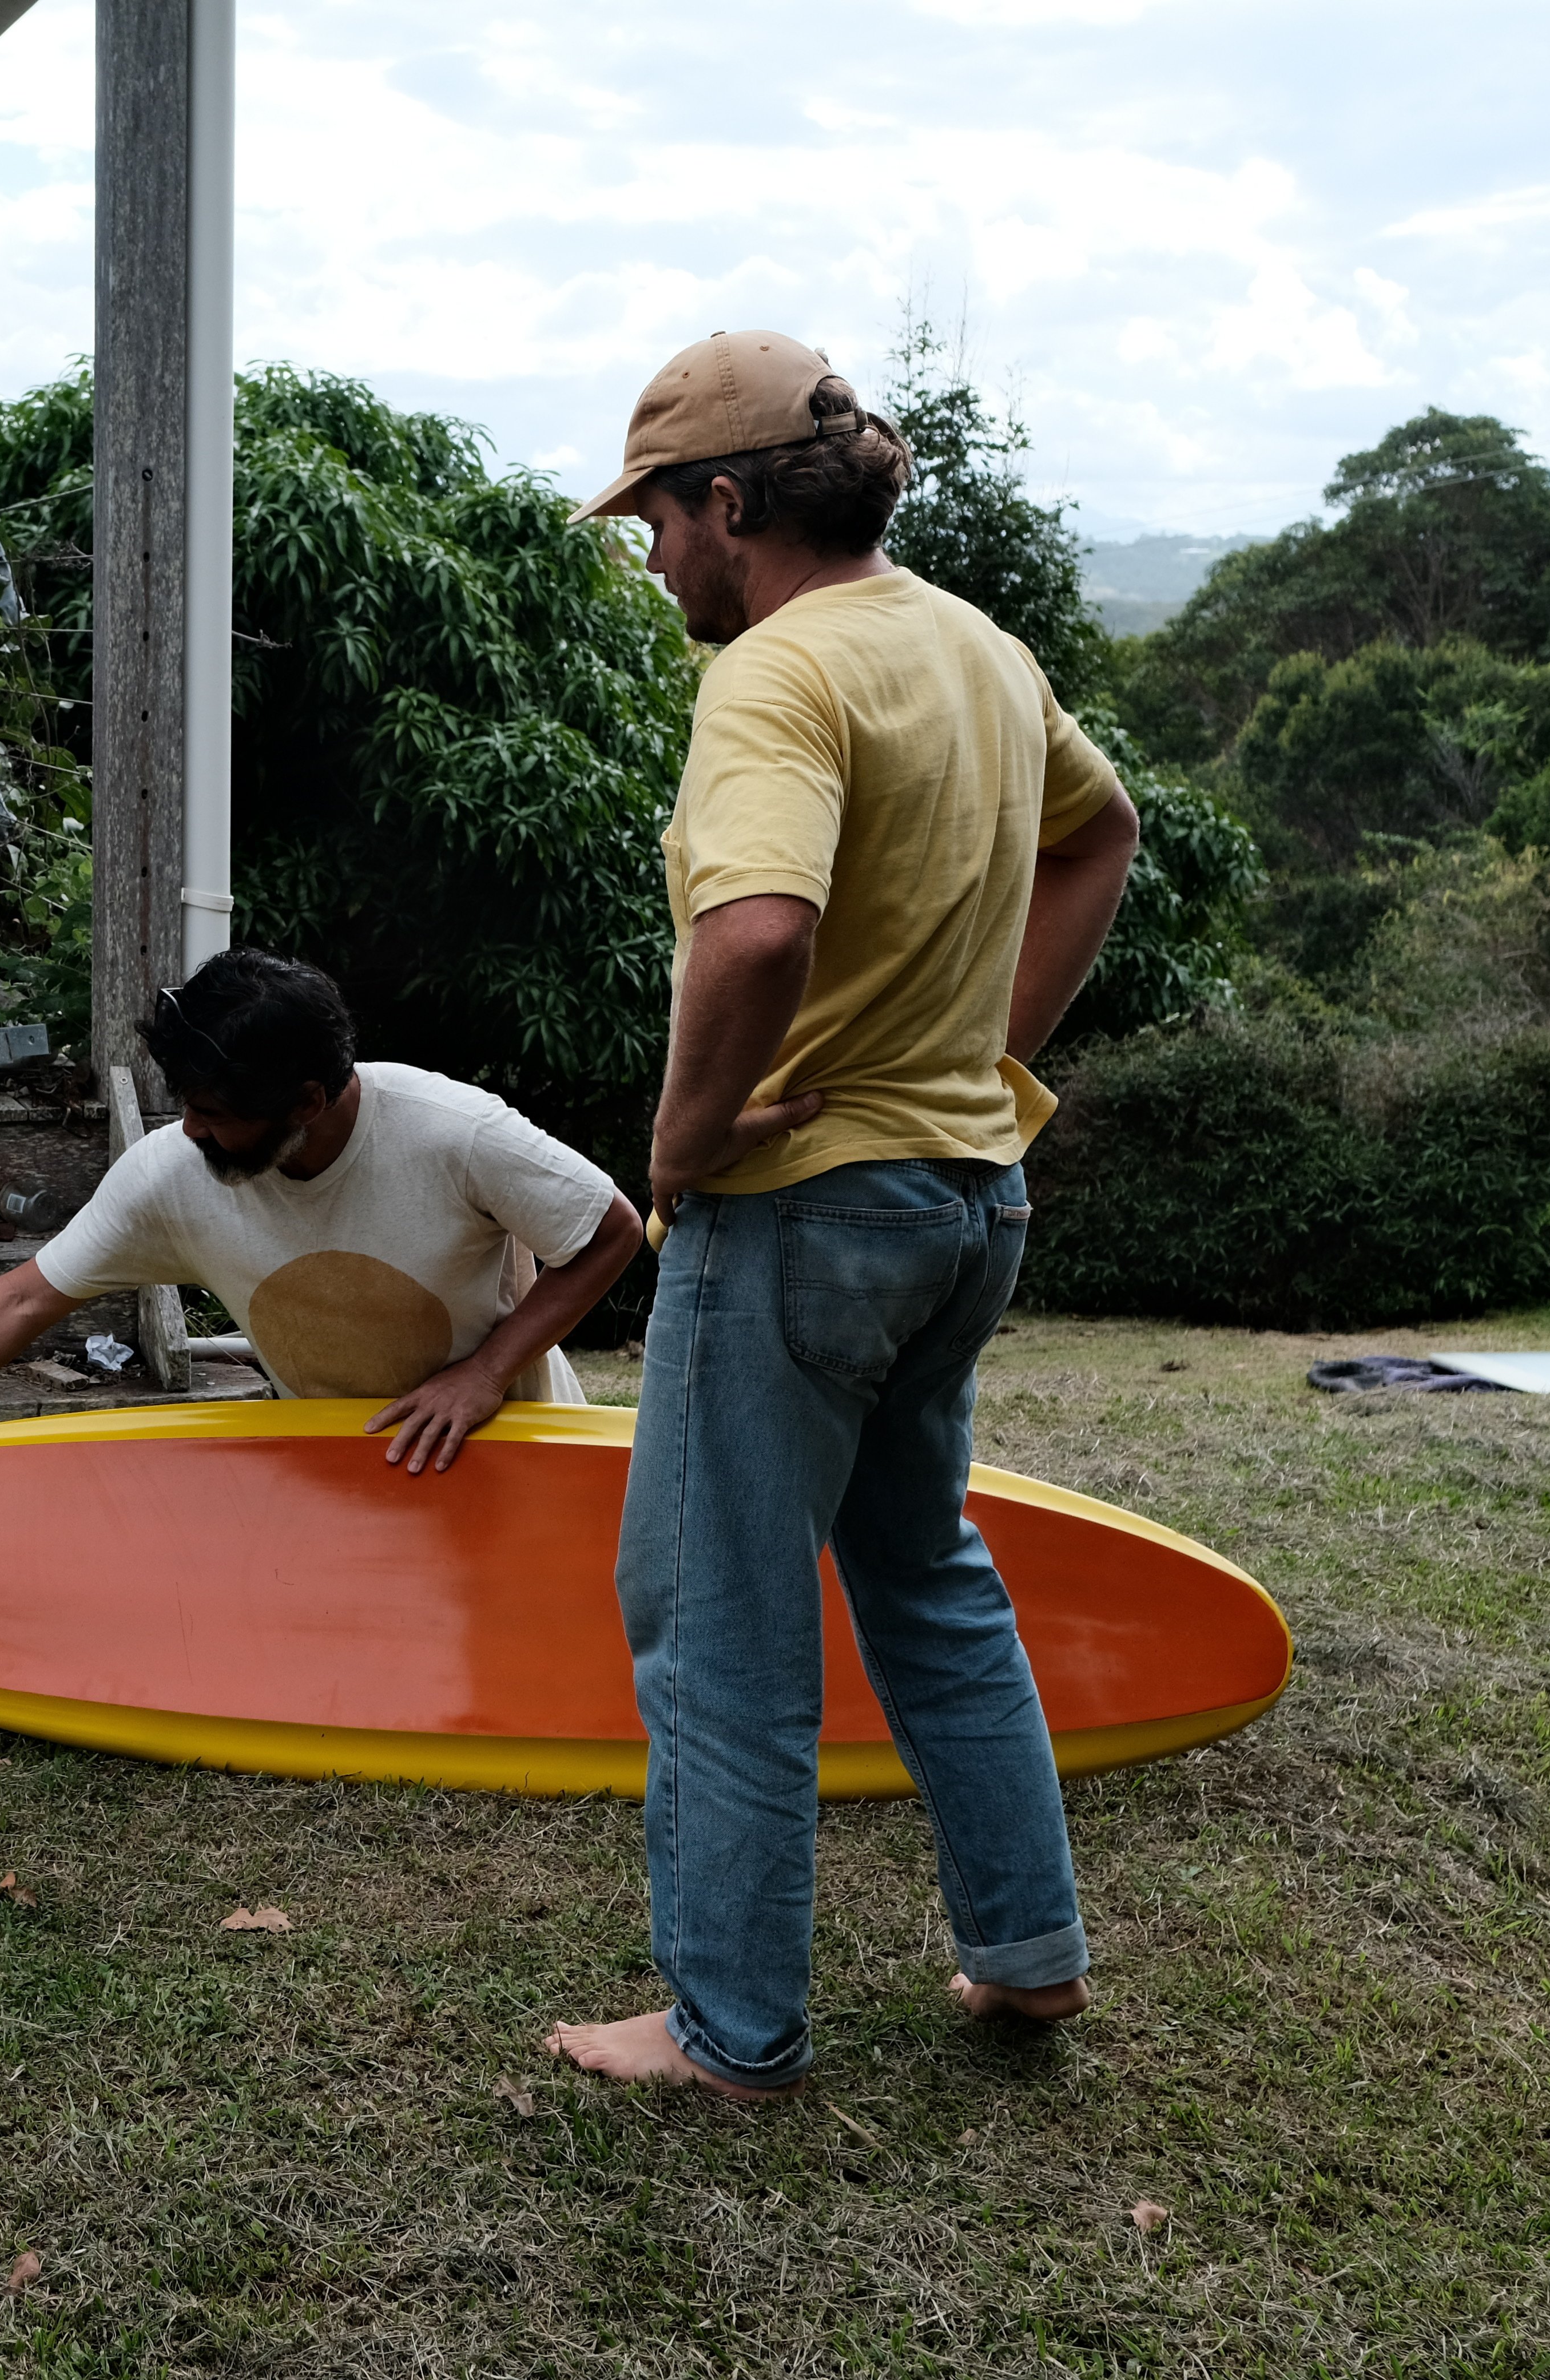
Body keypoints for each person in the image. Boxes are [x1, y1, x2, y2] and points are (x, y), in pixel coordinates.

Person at [539, 331, 1143, 2101]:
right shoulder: (977, 646)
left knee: (716, 1621)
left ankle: (731, 2029)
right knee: (926, 1575)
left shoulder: (780, 675)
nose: (653, 563)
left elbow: (755, 930)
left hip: (802, 1214)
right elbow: (1101, 839)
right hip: (967, 1203)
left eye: (656, 521)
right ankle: (1028, 1962)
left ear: (729, 504)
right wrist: (981, 1052)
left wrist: (684, 1137)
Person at [0, 949, 647, 1489]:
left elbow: (609, 1227)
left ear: (309, 1099)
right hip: (331, 1471)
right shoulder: (172, 1173)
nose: (191, 1129)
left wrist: (486, 1374)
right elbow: (24, 1301)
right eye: (185, 1104)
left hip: (513, 1448)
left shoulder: (454, 1130)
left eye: (214, 1110)